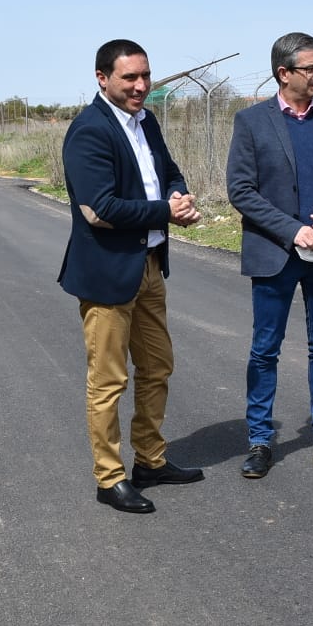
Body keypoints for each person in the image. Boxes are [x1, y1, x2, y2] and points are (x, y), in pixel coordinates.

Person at [58, 39, 205, 514]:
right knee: (108, 381)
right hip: (106, 274)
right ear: (102, 78)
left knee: (158, 366)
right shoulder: (89, 131)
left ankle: (151, 460)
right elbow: (98, 210)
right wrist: (167, 211)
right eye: (129, 78)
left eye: (145, 76)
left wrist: (178, 195)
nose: (141, 86)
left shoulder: (147, 121)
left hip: (148, 266)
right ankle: (110, 477)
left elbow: (169, 171)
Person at [226, 32, 313, 480]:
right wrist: (293, 230)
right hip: (275, 255)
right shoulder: (251, 122)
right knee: (265, 350)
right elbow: (241, 190)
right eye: (312, 68)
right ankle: (260, 441)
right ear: (284, 73)